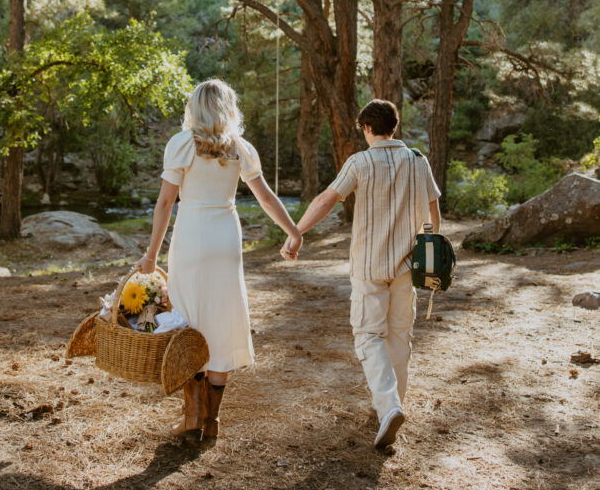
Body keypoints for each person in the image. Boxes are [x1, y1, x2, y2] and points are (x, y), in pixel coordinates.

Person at [138, 78, 302, 441]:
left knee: (189, 318)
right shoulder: (241, 149)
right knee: (222, 319)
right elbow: (268, 199)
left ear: (194, 109)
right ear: (229, 109)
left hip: (193, 236)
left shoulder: (180, 145)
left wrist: (151, 254)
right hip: (225, 237)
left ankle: (192, 415)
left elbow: (165, 203)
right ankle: (212, 422)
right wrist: (293, 231)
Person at [282, 99, 441, 448]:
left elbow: (327, 198)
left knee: (369, 336)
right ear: (394, 126)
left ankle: (388, 407)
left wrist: (297, 232)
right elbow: (433, 212)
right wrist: (426, 249)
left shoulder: (360, 161)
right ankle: (391, 402)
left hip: (369, 266)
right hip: (407, 265)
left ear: (367, 128)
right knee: (399, 335)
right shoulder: (418, 160)